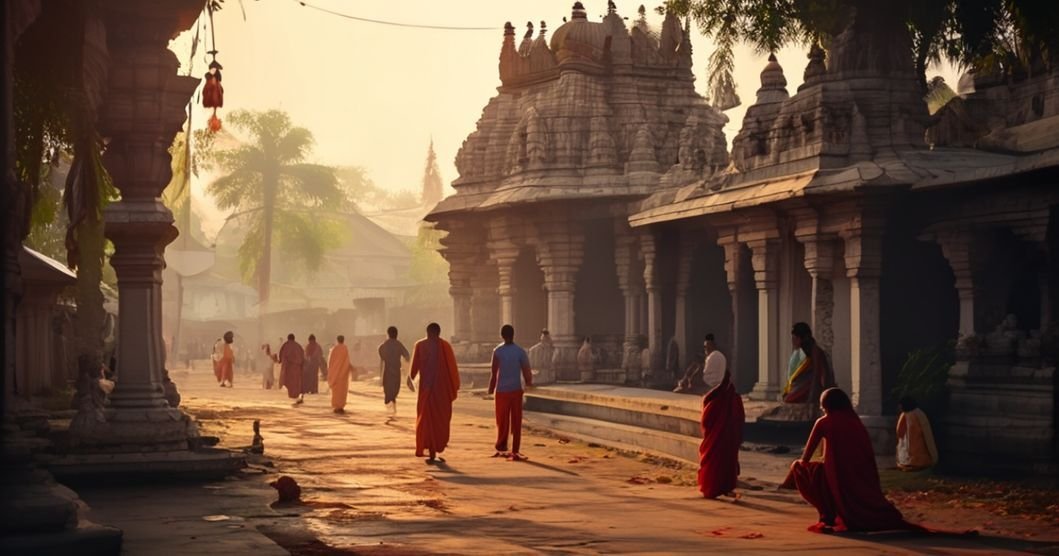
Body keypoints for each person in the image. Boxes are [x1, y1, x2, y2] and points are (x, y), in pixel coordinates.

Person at [786, 388, 916, 533]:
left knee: (798, 466)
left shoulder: (824, 422)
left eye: (823, 406)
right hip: (860, 478)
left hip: (837, 478)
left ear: (826, 405)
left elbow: (806, 457)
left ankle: (828, 513)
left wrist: (792, 475)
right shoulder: (854, 421)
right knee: (821, 469)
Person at [697, 334, 744, 499]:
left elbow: (706, 422)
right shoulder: (730, 396)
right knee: (725, 459)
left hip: (718, 438)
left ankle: (714, 486)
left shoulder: (715, 398)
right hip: (726, 439)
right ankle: (724, 485)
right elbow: (739, 421)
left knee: (716, 458)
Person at [409, 322, 461, 463]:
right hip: (435, 391)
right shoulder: (440, 346)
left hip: (432, 390)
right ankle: (433, 450)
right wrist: (454, 385)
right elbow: (453, 371)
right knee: (434, 420)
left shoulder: (429, 346)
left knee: (431, 420)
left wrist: (411, 378)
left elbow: (413, 369)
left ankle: (433, 449)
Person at [488, 324, 533, 461]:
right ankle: (515, 449)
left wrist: (491, 388)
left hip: (501, 390)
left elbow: (494, 372)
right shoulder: (520, 351)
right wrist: (529, 382)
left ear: (502, 335)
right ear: (513, 335)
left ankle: (501, 445)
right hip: (516, 389)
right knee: (516, 421)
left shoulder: (498, 351)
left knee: (502, 420)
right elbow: (526, 370)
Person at [783, 322, 835, 406]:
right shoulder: (808, 353)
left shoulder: (816, 352)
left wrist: (811, 399)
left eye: (794, 338)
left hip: (816, 393)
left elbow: (817, 377)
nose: (792, 341)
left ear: (801, 338)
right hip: (810, 390)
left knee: (789, 399)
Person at [896, 396, 939, 472]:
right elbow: (900, 431)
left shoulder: (917, 414)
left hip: (918, 443)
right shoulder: (907, 414)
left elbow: (926, 431)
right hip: (910, 443)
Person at [378, 326, 411, 416]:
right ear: (396, 334)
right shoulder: (398, 344)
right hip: (396, 371)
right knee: (395, 389)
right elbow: (407, 355)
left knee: (388, 389)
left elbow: (380, 353)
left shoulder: (384, 345)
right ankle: (392, 403)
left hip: (387, 371)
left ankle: (389, 404)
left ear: (388, 334)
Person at [279, 333, 305, 406]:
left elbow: (282, 355)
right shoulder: (298, 346)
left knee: (290, 382)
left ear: (288, 338)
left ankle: (293, 395)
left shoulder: (286, 345)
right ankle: (297, 395)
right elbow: (303, 357)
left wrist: (281, 362)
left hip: (289, 367)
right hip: (297, 367)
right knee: (297, 382)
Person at [327, 335, 352, 413]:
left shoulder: (334, 349)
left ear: (337, 340)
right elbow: (347, 361)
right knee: (342, 391)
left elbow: (330, 362)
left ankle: (336, 406)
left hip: (335, 374)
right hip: (343, 374)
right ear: (343, 340)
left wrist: (331, 371)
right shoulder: (345, 348)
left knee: (336, 391)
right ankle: (341, 406)